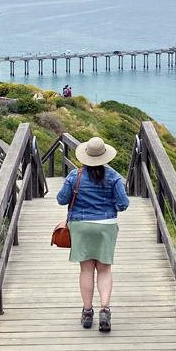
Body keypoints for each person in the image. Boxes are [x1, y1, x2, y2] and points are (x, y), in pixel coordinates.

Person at [55, 136, 129, 332]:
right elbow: (123, 205)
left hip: (81, 226)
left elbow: (61, 199)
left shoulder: (75, 175)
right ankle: (105, 309)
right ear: (105, 156)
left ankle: (88, 312)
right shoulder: (113, 177)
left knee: (86, 270)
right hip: (106, 226)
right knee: (104, 270)